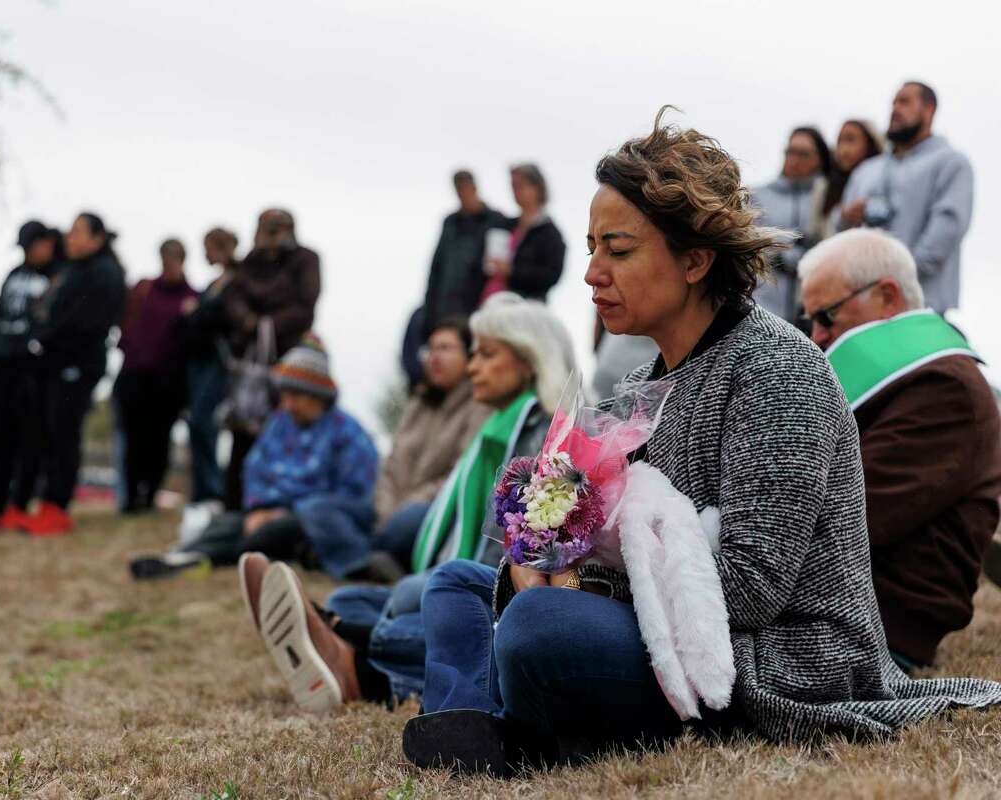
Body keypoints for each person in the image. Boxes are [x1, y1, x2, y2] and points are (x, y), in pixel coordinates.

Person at [402, 111, 1001, 777]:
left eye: (619, 251)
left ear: (694, 260)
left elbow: (751, 592)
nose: (593, 272)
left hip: (769, 660)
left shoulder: (777, 369)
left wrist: (578, 592)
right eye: (593, 246)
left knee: (542, 629)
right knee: (456, 585)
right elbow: (614, 541)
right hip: (665, 630)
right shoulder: (638, 385)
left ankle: (506, 716)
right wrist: (544, 551)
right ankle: (486, 729)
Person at [239, 293, 577, 711]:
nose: (473, 367)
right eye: (473, 354)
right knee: (361, 598)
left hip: (501, 591)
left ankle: (354, 650)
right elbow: (392, 465)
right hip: (417, 535)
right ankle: (343, 638)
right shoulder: (486, 426)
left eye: (487, 355)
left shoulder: (546, 439)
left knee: (421, 596)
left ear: (530, 360)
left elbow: (512, 564)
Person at [797, 229, 1001, 671]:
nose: (816, 336)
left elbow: (843, 517)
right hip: (836, 608)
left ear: (887, 296)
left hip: (868, 628)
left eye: (827, 317)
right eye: (809, 321)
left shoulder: (946, 390)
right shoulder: (923, 381)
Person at [130, 335, 377, 578]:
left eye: (297, 396)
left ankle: (201, 557)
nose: (288, 404)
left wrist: (287, 512)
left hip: (310, 523)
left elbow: (352, 498)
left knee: (270, 533)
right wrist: (260, 510)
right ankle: (183, 556)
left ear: (318, 395)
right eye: (285, 395)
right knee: (225, 524)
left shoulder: (349, 434)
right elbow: (254, 469)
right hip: (265, 515)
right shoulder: (280, 424)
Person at [295, 316, 490, 582]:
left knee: (407, 522)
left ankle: (344, 554)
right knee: (315, 509)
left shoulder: (479, 405)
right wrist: (386, 505)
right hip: (385, 508)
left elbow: (459, 476)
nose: (434, 357)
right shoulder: (419, 402)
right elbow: (389, 465)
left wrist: (405, 507)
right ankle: (364, 562)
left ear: (468, 356)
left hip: (426, 511)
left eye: (445, 348)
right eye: (430, 349)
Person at [23, 212, 127, 536]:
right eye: (70, 231)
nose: (70, 238)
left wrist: (49, 334)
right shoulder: (71, 271)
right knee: (49, 432)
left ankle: (58, 506)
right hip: (55, 364)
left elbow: (83, 322)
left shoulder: (105, 273)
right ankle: (47, 503)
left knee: (64, 432)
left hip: (78, 365)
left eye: (79, 232)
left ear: (97, 238)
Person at [0, 221, 63, 532]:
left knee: (29, 440)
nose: (29, 253)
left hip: (32, 371)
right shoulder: (14, 274)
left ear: (47, 243)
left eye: (33, 246)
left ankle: (19, 505)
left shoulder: (59, 276)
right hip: (1, 365)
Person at [840, 81, 974, 314]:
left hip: (921, 306)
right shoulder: (867, 170)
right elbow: (838, 232)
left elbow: (945, 232)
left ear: (929, 109)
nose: (895, 109)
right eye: (893, 102)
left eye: (904, 102)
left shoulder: (951, 163)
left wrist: (892, 279)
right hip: (860, 310)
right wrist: (846, 217)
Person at [222, 209, 321, 510]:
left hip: (290, 356)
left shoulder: (305, 260)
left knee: (290, 427)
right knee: (244, 432)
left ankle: (280, 502)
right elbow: (233, 296)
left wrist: (269, 323)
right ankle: (235, 503)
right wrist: (249, 321)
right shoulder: (250, 263)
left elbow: (305, 304)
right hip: (251, 363)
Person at [112, 239, 197, 514]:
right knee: (133, 437)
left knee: (158, 440)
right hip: (135, 373)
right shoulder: (144, 289)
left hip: (168, 381)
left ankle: (149, 495)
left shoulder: (191, 298)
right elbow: (125, 318)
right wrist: (128, 343)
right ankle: (131, 496)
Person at [180, 227, 240, 534]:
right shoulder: (214, 284)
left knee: (205, 422)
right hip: (199, 362)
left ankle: (213, 491)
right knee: (197, 424)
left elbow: (225, 319)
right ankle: (203, 490)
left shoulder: (237, 280)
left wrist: (198, 311)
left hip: (218, 362)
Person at [751, 127, 830, 321]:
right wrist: (780, 254)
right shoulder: (758, 195)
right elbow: (748, 241)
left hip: (810, 310)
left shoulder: (828, 197)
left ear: (820, 159)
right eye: (790, 152)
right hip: (764, 304)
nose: (794, 159)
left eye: (803, 154)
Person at [421, 170, 509, 332]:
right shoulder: (451, 223)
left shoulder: (497, 220)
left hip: (479, 304)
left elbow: (498, 268)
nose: (463, 194)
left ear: (474, 188)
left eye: (466, 188)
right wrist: (429, 309)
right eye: (459, 189)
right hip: (446, 305)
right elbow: (437, 267)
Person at [481, 164, 565, 305]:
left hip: (525, 307)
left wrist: (511, 272)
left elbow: (550, 276)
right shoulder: (505, 225)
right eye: (513, 186)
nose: (515, 192)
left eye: (520, 186)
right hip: (491, 300)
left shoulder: (550, 234)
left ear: (537, 188)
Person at [813, 120, 884, 240]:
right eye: (839, 141)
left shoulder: (882, 175)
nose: (843, 149)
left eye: (850, 139)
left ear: (870, 143)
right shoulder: (825, 186)